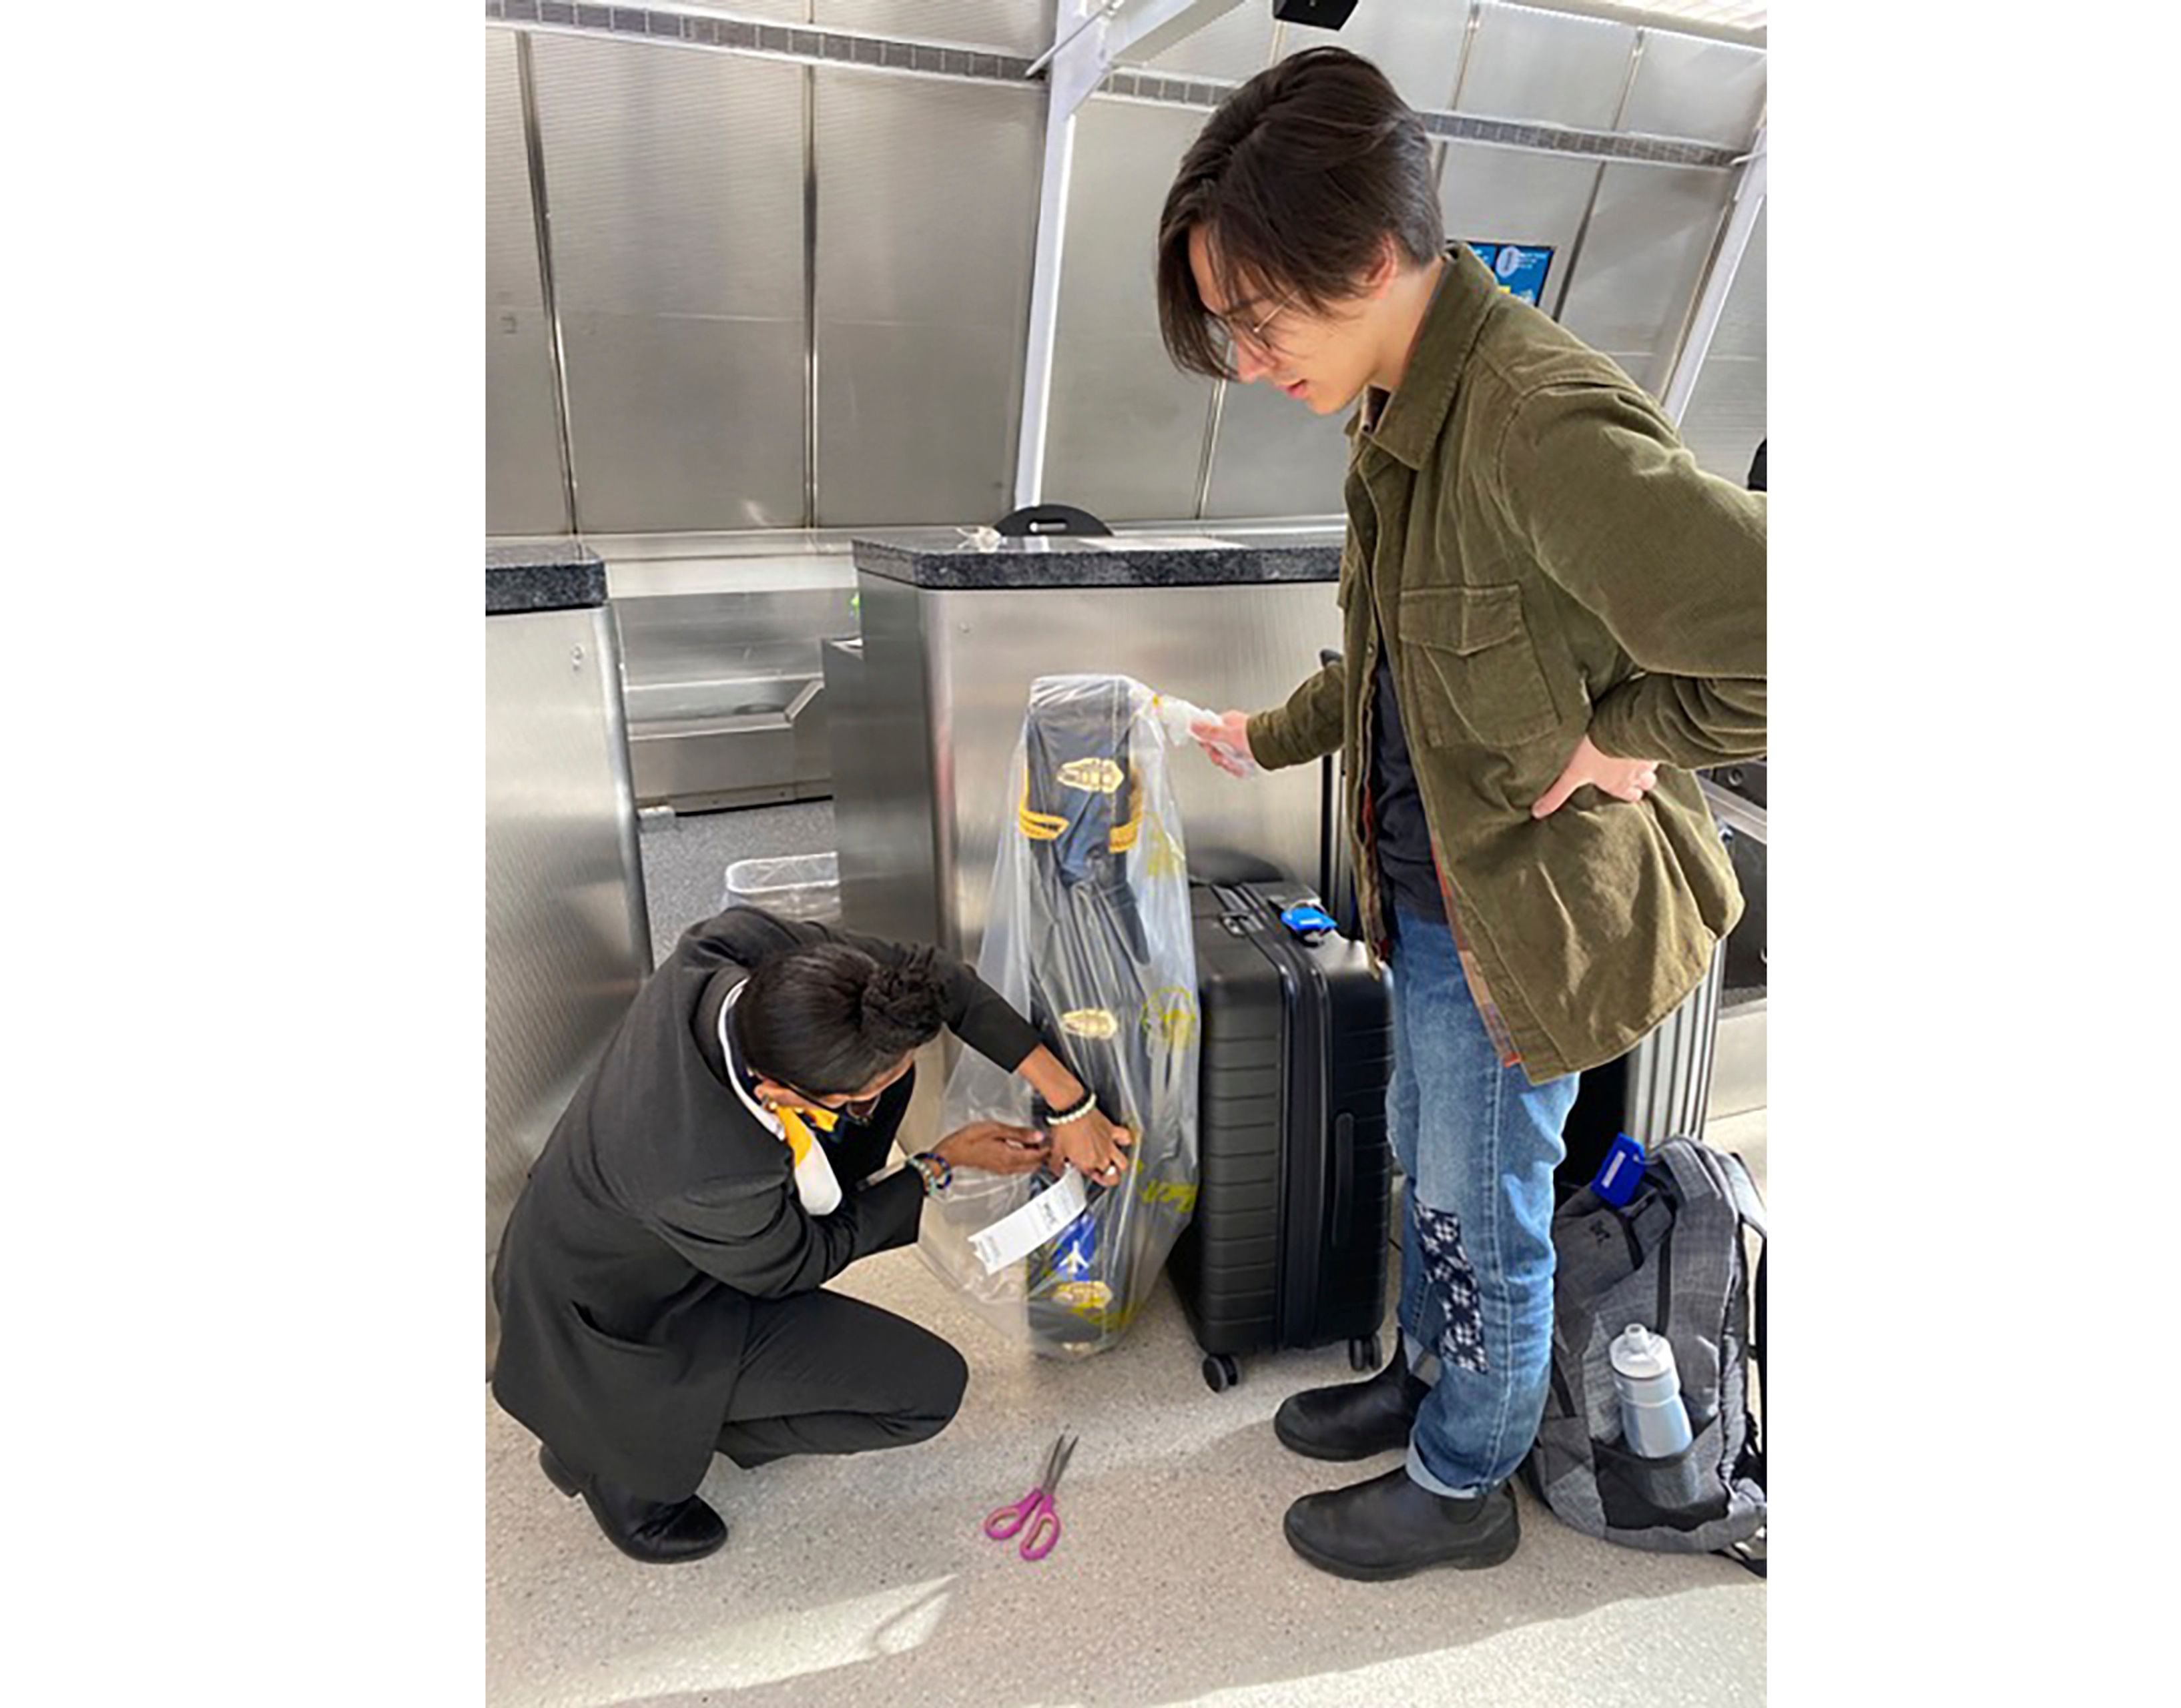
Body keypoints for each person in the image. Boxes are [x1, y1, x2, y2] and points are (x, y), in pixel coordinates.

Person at [1155, 47, 1767, 1581]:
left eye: (1254, 313)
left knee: (1480, 1204)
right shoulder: (1394, 409)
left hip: (1527, 916)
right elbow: (1395, 662)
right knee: (1429, 1171)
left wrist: (1635, 737)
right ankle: (1430, 1372)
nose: (1242, 358)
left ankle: (1462, 1475)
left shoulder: (1527, 425)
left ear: (1366, 257)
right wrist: (1267, 733)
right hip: (1433, 897)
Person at [490, 903, 1136, 1564]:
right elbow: (798, 1262)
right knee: (926, 1392)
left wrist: (1071, 1103)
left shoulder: (733, 950)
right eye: (852, 1100)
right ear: (778, 1091)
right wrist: (939, 1166)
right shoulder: (706, 1171)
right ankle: (613, 1454)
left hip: (670, 1239)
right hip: (620, 1321)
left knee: (878, 1085)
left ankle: (646, 1418)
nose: (874, 1105)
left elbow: (939, 982)